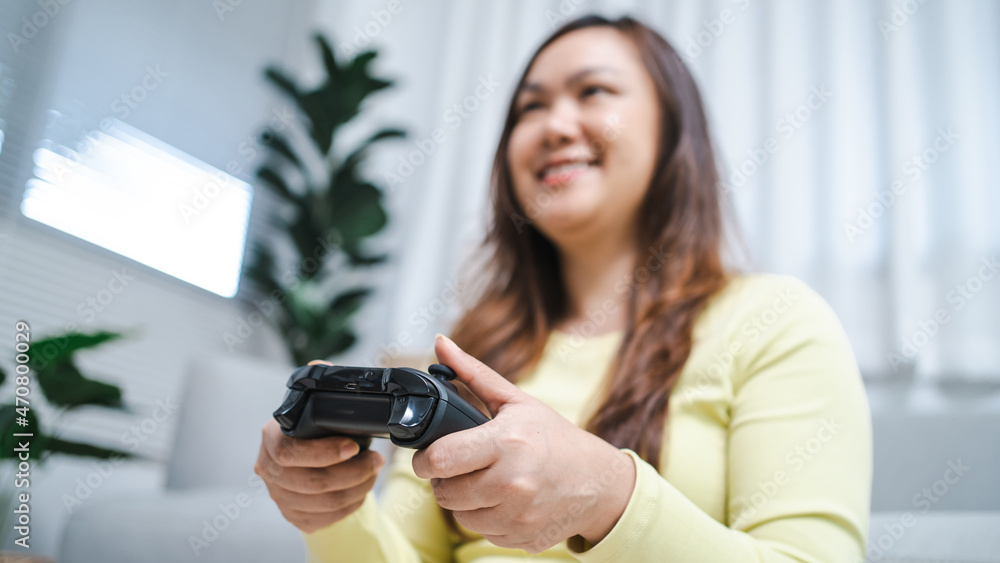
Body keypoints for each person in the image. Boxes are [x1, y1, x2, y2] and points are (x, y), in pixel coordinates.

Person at [255, 14, 872, 562]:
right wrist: (331, 513)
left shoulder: (775, 319)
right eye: (530, 108)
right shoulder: (478, 344)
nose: (553, 125)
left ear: (672, 127)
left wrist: (607, 498)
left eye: (593, 91)